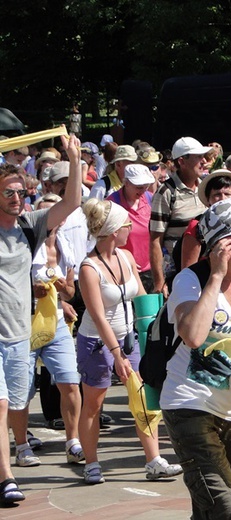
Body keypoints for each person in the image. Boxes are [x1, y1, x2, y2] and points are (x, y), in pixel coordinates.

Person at [162, 198, 231, 519]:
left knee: (210, 506)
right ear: (216, 245)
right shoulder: (190, 280)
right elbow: (193, 336)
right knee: (226, 508)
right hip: (189, 407)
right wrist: (215, 276)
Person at [0, 134, 82, 505]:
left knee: (17, 404)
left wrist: (74, 159)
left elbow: (72, 202)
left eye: (20, 192)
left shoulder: (29, 225)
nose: (17, 199)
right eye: (9, 193)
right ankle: (6, 477)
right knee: (1, 404)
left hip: (18, 333)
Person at [77, 198, 183, 485]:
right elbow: (98, 317)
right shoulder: (89, 268)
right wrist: (117, 355)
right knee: (93, 404)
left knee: (144, 397)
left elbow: (141, 298)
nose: (130, 229)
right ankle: (91, 463)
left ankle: (153, 460)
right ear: (113, 231)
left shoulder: (125, 257)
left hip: (128, 338)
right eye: (126, 225)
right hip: (97, 343)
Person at [8, 194, 83, 468]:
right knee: (22, 389)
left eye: (54, 214)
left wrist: (63, 291)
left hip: (55, 324)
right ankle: (22, 444)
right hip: (23, 322)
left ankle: (73, 441)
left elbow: (72, 292)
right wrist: (34, 291)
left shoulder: (66, 247)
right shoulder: (25, 244)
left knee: (70, 381)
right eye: (43, 213)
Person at [150, 137, 209, 296]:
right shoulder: (166, 192)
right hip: (178, 275)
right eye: (198, 157)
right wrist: (159, 282)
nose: (204, 161)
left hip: (207, 270)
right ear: (182, 161)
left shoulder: (206, 186)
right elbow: (156, 240)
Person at [107, 164, 156, 293]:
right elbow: (105, 239)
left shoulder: (150, 198)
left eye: (145, 187)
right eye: (139, 187)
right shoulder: (111, 203)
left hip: (152, 268)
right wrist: (125, 260)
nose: (142, 191)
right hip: (125, 270)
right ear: (126, 183)